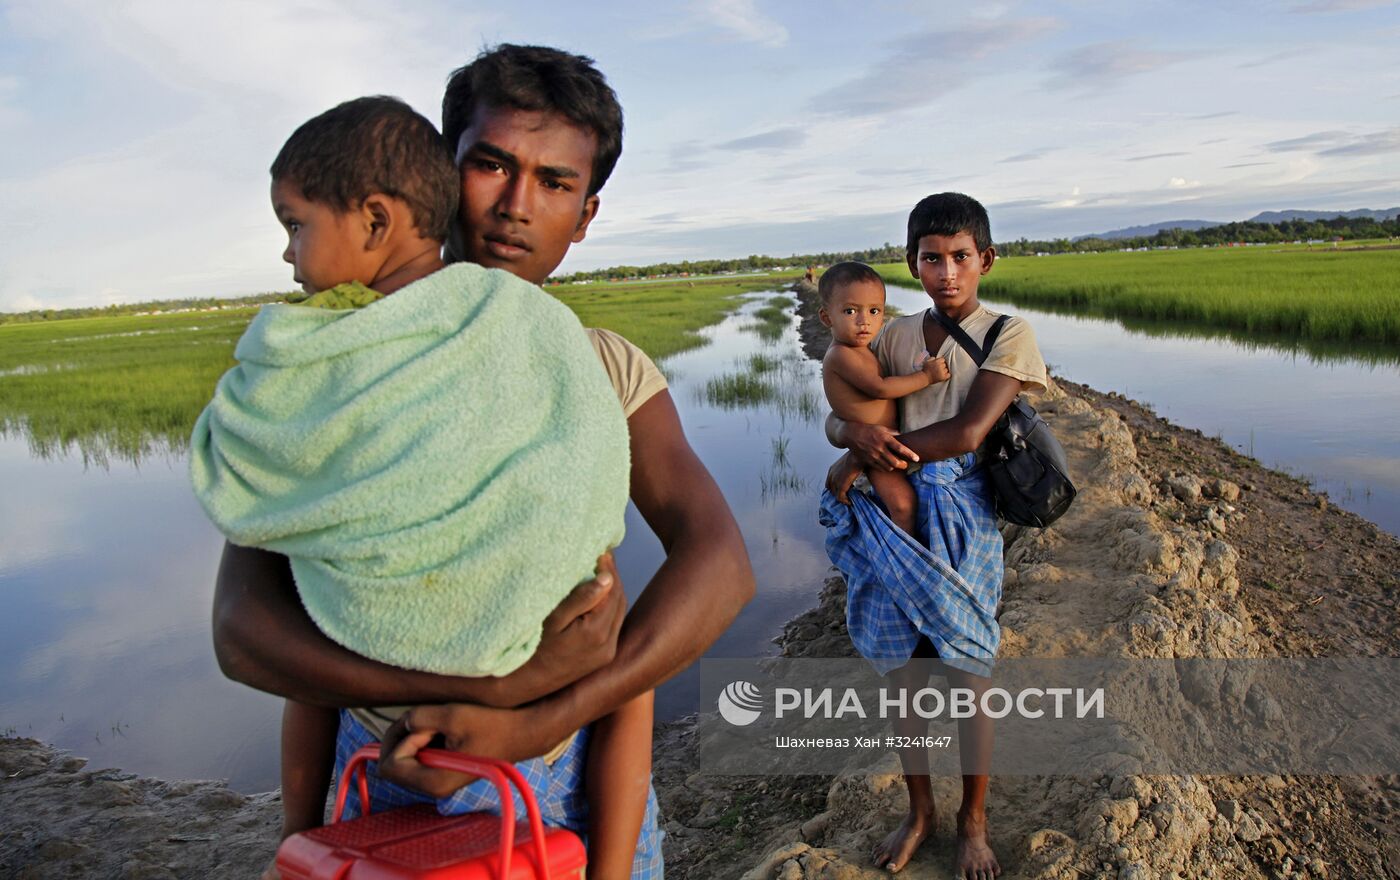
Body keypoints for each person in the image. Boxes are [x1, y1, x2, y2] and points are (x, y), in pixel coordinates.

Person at [209, 46, 754, 878]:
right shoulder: (341, 360)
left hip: (567, 787)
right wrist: (489, 689)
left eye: (555, 183)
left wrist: (545, 714)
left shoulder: (603, 367)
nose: (515, 206)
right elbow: (245, 632)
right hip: (385, 779)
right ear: (442, 167)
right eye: (491, 165)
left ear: (586, 213)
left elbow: (721, 566)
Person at [822, 193, 1047, 878]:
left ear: (986, 259)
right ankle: (919, 811)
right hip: (893, 514)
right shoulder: (891, 336)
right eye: (930, 258)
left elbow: (970, 432)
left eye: (959, 257)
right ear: (912, 263)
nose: (946, 272)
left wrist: (863, 454)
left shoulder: (1009, 333)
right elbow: (849, 406)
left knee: (969, 670)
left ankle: (971, 821)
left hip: (963, 515)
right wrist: (847, 435)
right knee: (906, 675)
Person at [818, 260, 948, 536]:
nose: (864, 321)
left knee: (901, 499)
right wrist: (926, 377)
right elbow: (879, 388)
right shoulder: (841, 354)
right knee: (902, 504)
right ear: (827, 317)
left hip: (879, 444)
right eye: (850, 311)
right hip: (875, 449)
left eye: (874, 311)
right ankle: (905, 551)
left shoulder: (863, 348)